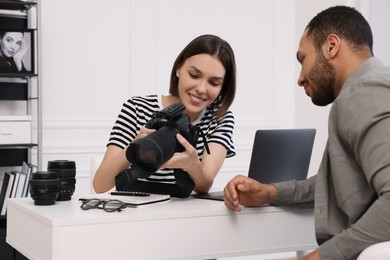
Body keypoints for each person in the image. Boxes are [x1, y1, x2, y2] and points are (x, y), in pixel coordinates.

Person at [224, 5, 390, 260]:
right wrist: (270, 192)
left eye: (303, 59)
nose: (300, 78)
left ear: (331, 46)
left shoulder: (363, 93)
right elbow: (339, 185)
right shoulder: (372, 87)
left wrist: (322, 256)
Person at [93, 34, 236, 197]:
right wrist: (135, 147)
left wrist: (192, 164)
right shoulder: (137, 108)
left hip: (182, 215)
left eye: (214, 83)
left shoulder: (219, 118)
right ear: (178, 69)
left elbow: (204, 187)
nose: (202, 89)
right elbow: (100, 184)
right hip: (133, 212)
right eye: (194, 75)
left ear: (223, 87)